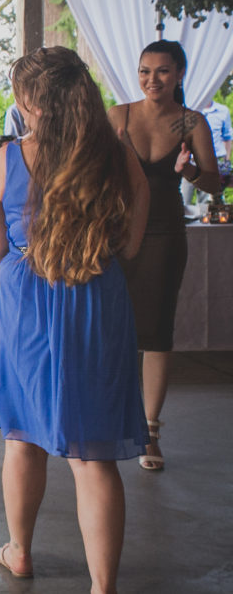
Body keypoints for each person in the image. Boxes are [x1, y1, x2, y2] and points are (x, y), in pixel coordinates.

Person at [0, 47, 150, 592]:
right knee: (93, 455)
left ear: (32, 102)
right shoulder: (117, 157)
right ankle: (103, 586)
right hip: (94, 299)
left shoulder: (9, 157)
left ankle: (20, 551)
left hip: (24, 305)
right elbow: (131, 244)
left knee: (22, 439)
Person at [107, 40, 220, 471]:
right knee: (112, 326)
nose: (152, 79)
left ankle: (150, 433)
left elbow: (214, 184)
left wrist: (188, 170)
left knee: (156, 332)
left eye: (162, 71)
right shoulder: (118, 115)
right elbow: (93, 173)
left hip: (165, 233)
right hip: (117, 231)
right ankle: (112, 419)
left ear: (179, 74)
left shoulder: (192, 122)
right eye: (144, 71)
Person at [181, 99, 232, 213]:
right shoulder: (189, 109)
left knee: (206, 205)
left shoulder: (222, 110)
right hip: (190, 162)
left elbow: (227, 137)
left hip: (212, 163)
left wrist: (226, 162)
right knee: (184, 199)